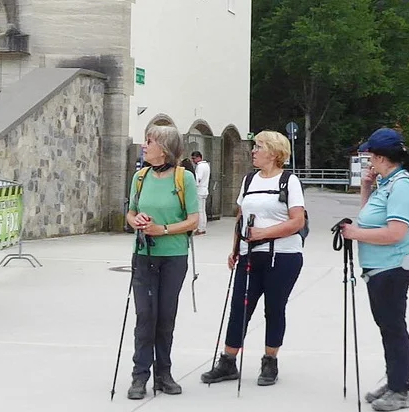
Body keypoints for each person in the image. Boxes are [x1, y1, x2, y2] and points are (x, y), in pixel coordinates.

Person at [200, 130, 306, 388]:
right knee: (239, 307)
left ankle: (270, 361)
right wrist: (235, 248)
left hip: (283, 256)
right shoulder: (249, 180)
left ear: (273, 151)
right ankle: (228, 361)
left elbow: (297, 221)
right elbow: (241, 217)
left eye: (258, 146)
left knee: (274, 308)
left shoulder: (288, 181)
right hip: (250, 255)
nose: (253, 151)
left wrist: (264, 233)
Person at [340, 128, 409, 411]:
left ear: (381, 157)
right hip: (381, 268)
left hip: (393, 266)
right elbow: (368, 220)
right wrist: (366, 187)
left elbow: (394, 233)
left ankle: (401, 390)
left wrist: (353, 234)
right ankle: (394, 382)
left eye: (369, 157)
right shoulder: (388, 183)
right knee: (388, 326)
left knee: (393, 327)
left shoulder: (401, 186)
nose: (368, 162)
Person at [123, 125, 200, 399]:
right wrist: (138, 221)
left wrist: (163, 230)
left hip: (173, 256)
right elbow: (130, 213)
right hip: (143, 255)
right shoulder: (140, 177)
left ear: (164, 148)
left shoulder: (184, 178)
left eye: (149, 141)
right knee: (145, 316)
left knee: (165, 316)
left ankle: (164, 374)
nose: (144, 146)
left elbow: (193, 220)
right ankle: (139, 376)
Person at [191, 151, 211, 235]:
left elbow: (197, 179)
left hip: (199, 190)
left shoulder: (200, 166)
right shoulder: (206, 165)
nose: (193, 160)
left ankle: (200, 228)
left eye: (194, 158)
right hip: (205, 189)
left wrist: (194, 186)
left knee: (200, 211)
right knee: (203, 210)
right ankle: (203, 227)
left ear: (199, 157)